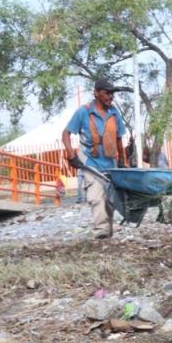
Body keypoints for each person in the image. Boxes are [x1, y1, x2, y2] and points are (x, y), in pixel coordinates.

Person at [63, 78, 129, 239]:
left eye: (112, 94)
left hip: (110, 164)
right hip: (90, 164)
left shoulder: (114, 113)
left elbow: (119, 138)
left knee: (109, 200)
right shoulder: (83, 112)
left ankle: (108, 230)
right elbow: (66, 134)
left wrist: (123, 161)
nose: (110, 97)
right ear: (96, 93)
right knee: (96, 197)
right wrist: (72, 154)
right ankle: (101, 231)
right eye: (106, 93)